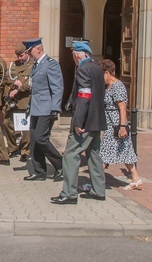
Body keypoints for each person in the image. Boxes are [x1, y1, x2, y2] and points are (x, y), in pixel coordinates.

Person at [51, 41, 106, 205]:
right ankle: (98, 190)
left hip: (85, 120)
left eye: (74, 55)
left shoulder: (82, 69)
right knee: (94, 154)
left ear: (77, 55)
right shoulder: (96, 68)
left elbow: (84, 96)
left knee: (70, 154)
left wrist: (78, 121)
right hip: (96, 119)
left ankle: (69, 193)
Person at [96, 59, 143, 191]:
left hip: (115, 124)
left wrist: (122, 127)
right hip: (110, 122)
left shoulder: (117, 86)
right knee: (125, 151)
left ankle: (96, 182)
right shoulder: (109, 86)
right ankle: (136, 179)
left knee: (104, 153)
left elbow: (122, 107)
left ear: (107, 73)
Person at [23, 38, 64, 182]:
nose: (28, 54)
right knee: (34, 140)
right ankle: (39, 171)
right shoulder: (35, 66)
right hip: (36, 107)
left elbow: (57, 87)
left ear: (38, 49)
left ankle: (60, 164)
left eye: (30, 51)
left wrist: (55, 108)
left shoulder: (50, 65)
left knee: (41, 138)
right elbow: (34, 90)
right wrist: (29, 106)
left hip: (46, 108)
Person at [3, 42, 32, 161]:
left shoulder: (32, 65)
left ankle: (25, 151)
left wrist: (19, 89)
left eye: (21, 55)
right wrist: (14, 83)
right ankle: (13, 148)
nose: (19, 58)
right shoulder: (13, 65)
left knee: (25, 128)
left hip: (25, 100)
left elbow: (29, 84)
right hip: (12, 100)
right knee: (7, 123)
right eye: (17, 56)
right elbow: (6, 78)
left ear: (27, 53)